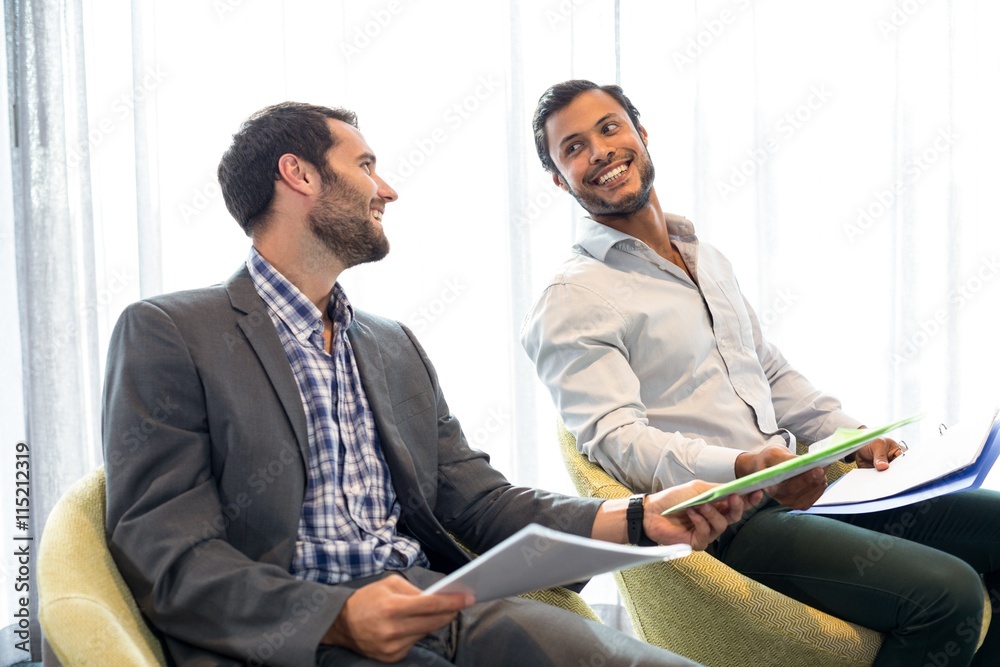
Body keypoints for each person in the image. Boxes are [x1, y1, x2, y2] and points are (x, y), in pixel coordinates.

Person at [101, 101, 760, 667]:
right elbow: (166, 555)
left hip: (436, 605)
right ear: (298, 174)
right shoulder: (169, 332)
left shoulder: (390, 343)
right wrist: (335, 614)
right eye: (364, 165)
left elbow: (475, 498)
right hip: (296, 641)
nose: (386, 189)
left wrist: (637, 516)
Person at [520, 79, 1000, 667]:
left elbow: (768, 371)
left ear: (641, 136)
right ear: (558, 179)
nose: (598, 150)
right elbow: (618, 444)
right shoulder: (572, 298)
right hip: (727, 525)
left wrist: (851, 436)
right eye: (573, 147)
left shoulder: (703, 255)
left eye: (610, 127)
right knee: (948, 594)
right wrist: (744, 469)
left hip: (809, 489)